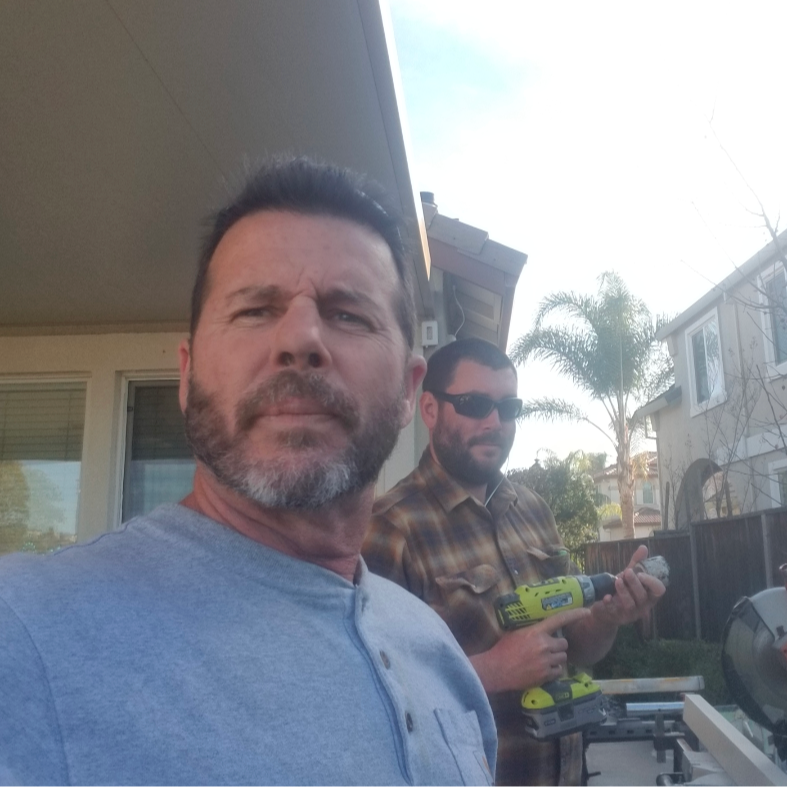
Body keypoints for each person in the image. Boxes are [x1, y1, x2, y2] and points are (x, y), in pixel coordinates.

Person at [0, 158, 497, 786]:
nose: (300, 339)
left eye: (348, 314)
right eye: (255, 310)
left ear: (407, 388)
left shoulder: (436, 649)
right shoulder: (25, 631)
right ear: (187, 376)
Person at [363, 338, 665, 786]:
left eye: (508, 408)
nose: (494, 422)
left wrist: (607, 617)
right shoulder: (388, 529)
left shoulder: (533, 510)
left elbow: (577, 650)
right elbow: (369, 698)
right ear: (430, 409)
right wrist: (490, 671)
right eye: (474, 405)